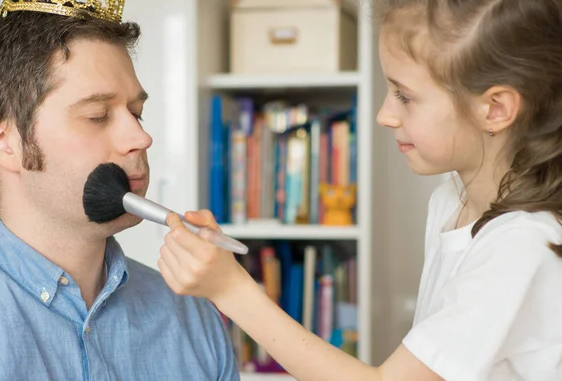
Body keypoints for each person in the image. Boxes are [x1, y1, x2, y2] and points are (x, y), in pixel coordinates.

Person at [158, 0, 562, 380]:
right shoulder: (452, 200)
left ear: (495, 109)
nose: (384, 114)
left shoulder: (522, 246)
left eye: (404, 96)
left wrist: (230, 288)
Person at [0, 1, 238, 380]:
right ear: (1, 140)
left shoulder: (191, 314)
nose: (141, 137)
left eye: (136, 112)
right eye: (97, 116)